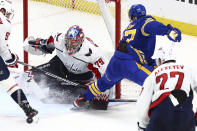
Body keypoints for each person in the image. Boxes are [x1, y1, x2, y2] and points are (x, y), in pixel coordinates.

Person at [73, 4, 182, 108]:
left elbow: (142, 55)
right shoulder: (144, 21)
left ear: (132, 16)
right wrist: (168, 31)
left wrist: (153, 64)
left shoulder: (128, 28)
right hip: (130, 64)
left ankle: (83, 98)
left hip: (116, 61)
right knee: (158, 81)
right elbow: (151, 25)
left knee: (104, 82)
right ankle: (174, 108)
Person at [23, 25, 109, 109]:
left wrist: (99, 94)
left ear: (81, 42)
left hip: (81, 77)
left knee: (58, 95)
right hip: (60, 66)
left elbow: (105, 75)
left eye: (74, 42)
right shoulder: (58, 39)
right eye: (68, 41)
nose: (70, 45)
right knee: (26, 77)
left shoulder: (92, 53)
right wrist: (36, 45)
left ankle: (82, 88)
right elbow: (46, 46)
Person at [136, 46, 197, 131]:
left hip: (161, 113)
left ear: (160, 60)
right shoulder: (188, 69)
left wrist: (142, 125)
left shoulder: (153, 75)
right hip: (185, 114)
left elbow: (143, 102)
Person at [0, 0, 38, 119]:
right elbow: (2, 46)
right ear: (4, 10)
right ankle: (27, 108)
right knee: (9, 84)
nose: (8, 16)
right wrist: (11, 59)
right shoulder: (4, 22)